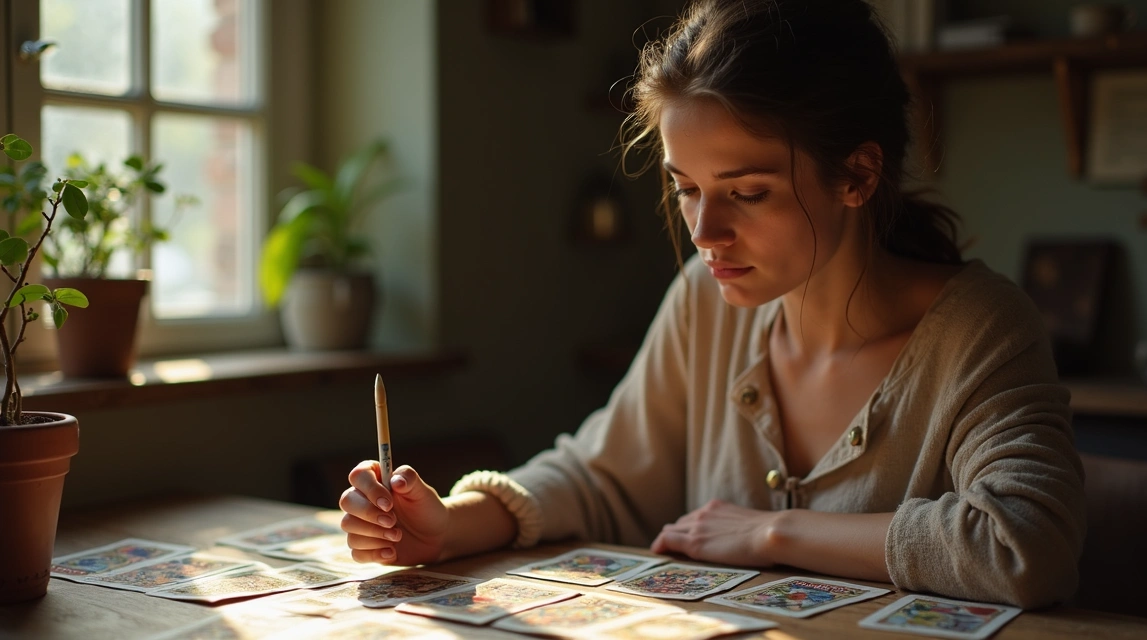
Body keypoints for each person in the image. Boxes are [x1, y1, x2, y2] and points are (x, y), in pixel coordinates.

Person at [339, 0, 1085, 609]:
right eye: (686, 189)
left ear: (857, 175)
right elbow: (602, 476)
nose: (705, 232)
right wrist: (446, 527)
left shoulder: (981, 329)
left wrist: (772, 535)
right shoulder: (707, 302)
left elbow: (1022, 546)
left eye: (747, 193)